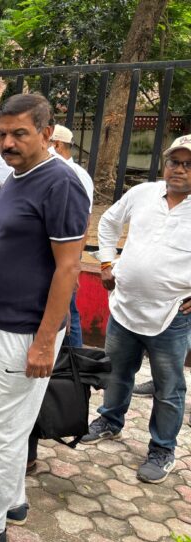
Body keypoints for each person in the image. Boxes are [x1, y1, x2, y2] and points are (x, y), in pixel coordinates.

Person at [0, 94, 89, 542]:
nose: (8, 143)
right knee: (8, 420)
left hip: (26, 331)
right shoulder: (16, 176)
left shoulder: (61, 183)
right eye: (3, 134)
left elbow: (68, 268)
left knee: (4, 427)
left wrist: (44, 341)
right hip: (0, 324)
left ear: (47, 133)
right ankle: (10, 498)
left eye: (20, 134)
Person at [80, 134, 191, 484]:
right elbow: (109, 223)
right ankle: (110, 420)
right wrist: (106, 262)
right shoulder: (143, 193)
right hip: (125, 306)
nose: (179, 169)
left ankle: (162, 448)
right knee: (116, 371)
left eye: (189, 165)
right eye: (174, 162)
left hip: (171, 315)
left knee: (168, 388)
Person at [50, 123, 94, 348]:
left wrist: (74, 263)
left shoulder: (75, 174)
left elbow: (83, 223)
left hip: (64, 258)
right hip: (52, 254)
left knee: (68, 312)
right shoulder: (53, 171)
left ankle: (74, 362)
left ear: (57, 144)